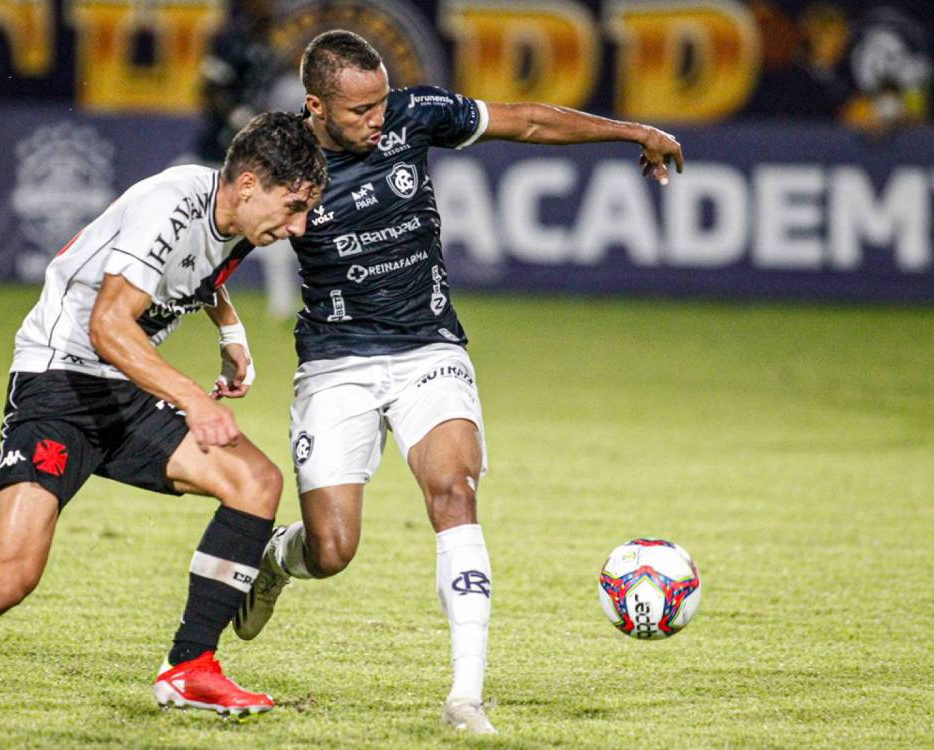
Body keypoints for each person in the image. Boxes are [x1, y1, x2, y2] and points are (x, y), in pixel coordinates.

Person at [231, 31, 684, 734]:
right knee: (333, 550)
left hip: (427, 350)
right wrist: (224, 331)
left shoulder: (413, 116)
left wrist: (632, 131)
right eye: (359, 111)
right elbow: (222, 234)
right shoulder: (284, 159)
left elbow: (526, 119)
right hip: (337, 363)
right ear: (315, 105)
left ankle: (464, 698)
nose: (378, 119)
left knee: (454, 492)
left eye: (381, 102)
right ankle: (275, 560)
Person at [0, 112, 327, 718]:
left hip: (125, 384)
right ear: (250, 183)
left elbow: (200, 272)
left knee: (255, 483)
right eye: (295, 206)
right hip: (60, 384)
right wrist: (194, 400)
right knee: (5, 579)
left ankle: (190, 667)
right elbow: (107, 325)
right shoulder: (170, 204)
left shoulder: (235, 217)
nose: (299, 225)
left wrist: (231, 329)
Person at [194, 0, 302, 319]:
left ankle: (283, 305)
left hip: (247, 158)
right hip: (213, 154)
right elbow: (209, 89)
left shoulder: (269, 49)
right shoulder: (231, 41)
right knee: (182, 220)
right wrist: (235, 115)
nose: (272, 11)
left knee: (275, 219)